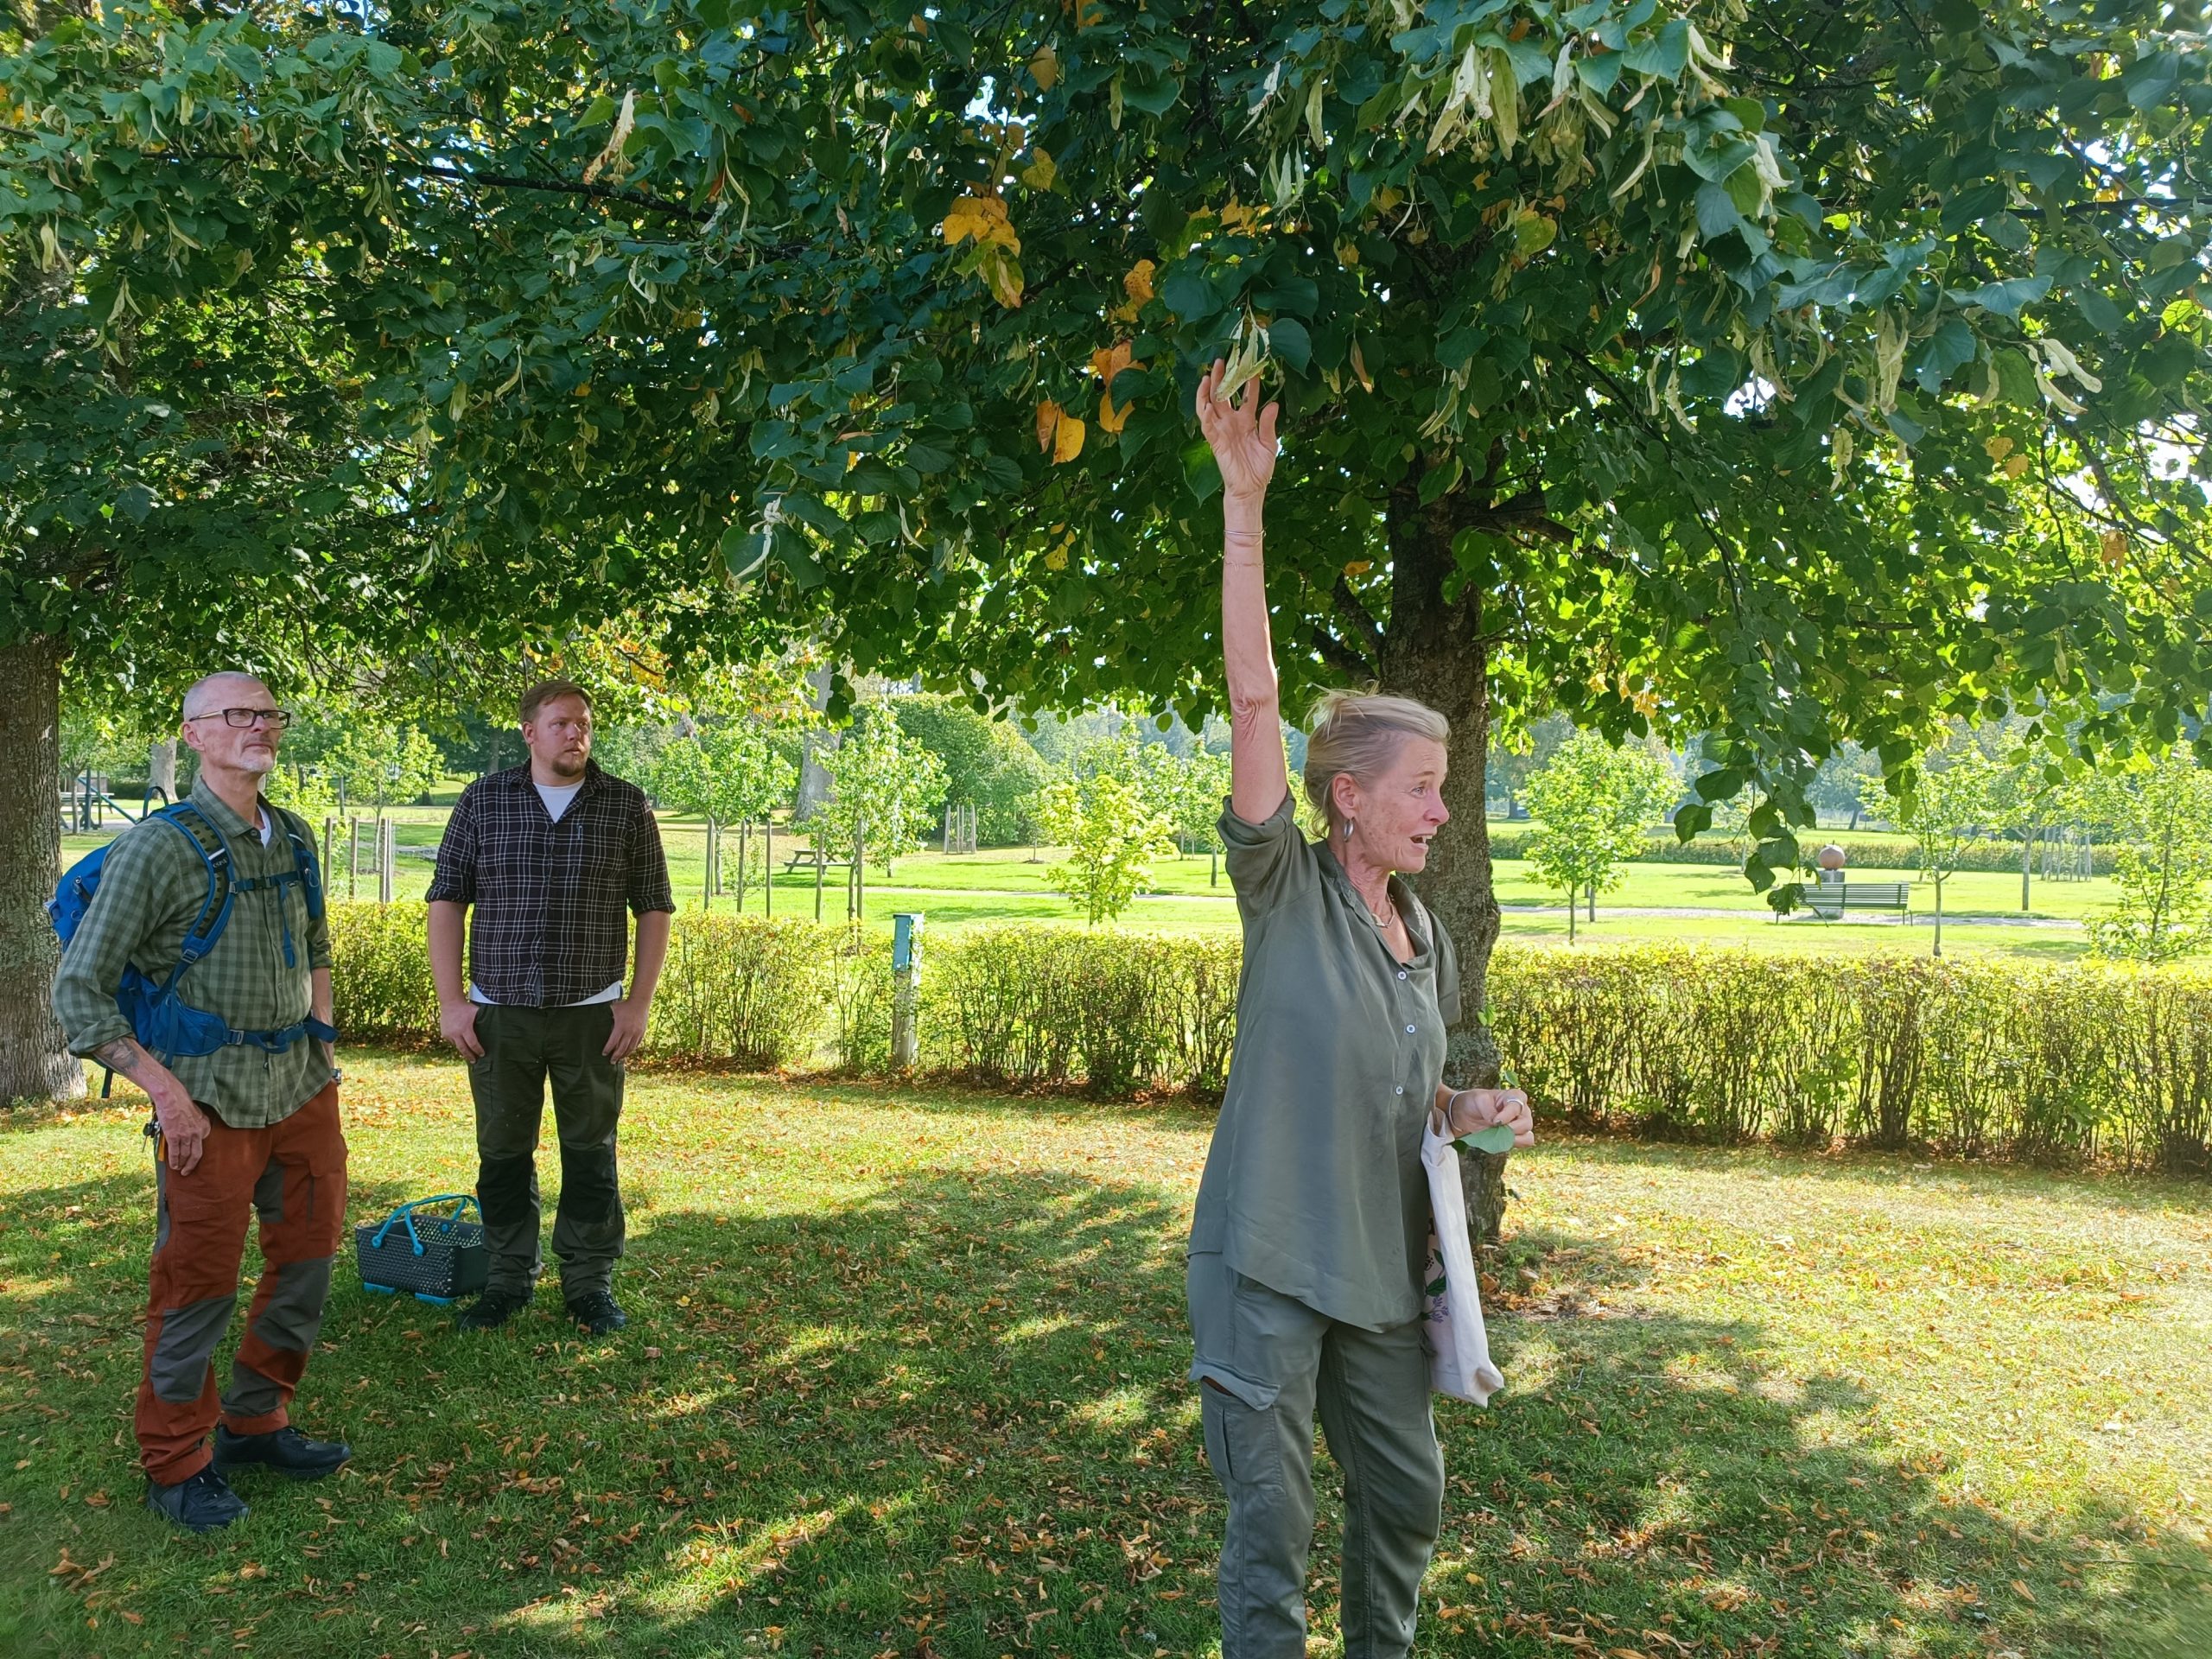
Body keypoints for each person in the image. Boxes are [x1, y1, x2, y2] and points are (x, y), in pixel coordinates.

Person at [1186, 365, 1537, 1657]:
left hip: (1382, 1281)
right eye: (1425, 789)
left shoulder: (1425, 931)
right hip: (1269, 1269)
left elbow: (1416, 1094)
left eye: (1446, 789)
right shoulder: (1282, 886)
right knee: (1270, 1530)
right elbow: (1256, 697)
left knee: (1406, 1496)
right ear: (1347, 798)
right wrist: (1245, 509)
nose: (1443, 811)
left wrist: (1471, 1107)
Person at [52, 672, 351, 1534]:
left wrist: (323, 1047)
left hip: (299, 1089)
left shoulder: (293, 835)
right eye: (237, 714)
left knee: (307, 1262)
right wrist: (166, 1094)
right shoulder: (159, 848)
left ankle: (258, 1420)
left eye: (268, 713)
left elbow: (319, 948)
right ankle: (178, 1460)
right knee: (196, 1284)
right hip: (205, 1101)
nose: (259, 726)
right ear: (192, 735)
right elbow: (81, 992)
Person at [427, 679, 673, 1335]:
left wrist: (637, 1003)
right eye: (562, 723)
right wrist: (452, 1003)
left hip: (592, 1014)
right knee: (503, 1152)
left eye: (584, 724)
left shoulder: (625, 806)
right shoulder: (485, 802)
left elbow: (654, 908)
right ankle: (508, 1278)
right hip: (498, 1015)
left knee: (591, 1150)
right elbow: (447, 900)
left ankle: (589, 1283)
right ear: (529, 732)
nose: (576, 734)